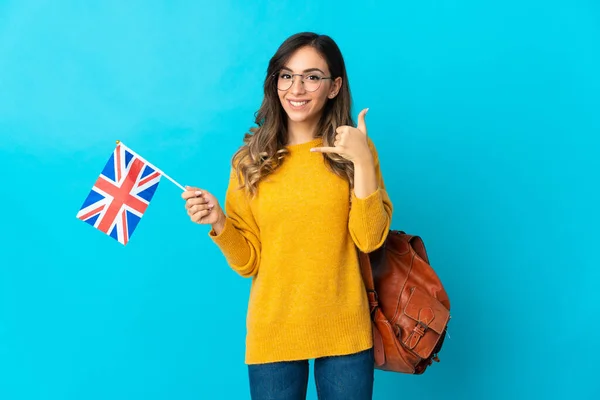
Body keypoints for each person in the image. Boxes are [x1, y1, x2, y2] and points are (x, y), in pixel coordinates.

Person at [182, 32, 393, 400]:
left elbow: (369, 238)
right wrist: (219, 222)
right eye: (286, 75)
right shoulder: (247, 161)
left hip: (344, 328)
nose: (297, 88)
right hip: (274, 330)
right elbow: (249, 262)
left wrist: (360, 159)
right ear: (275, 82)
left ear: (333, 87)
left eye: (312, 76)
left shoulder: (355, 148)